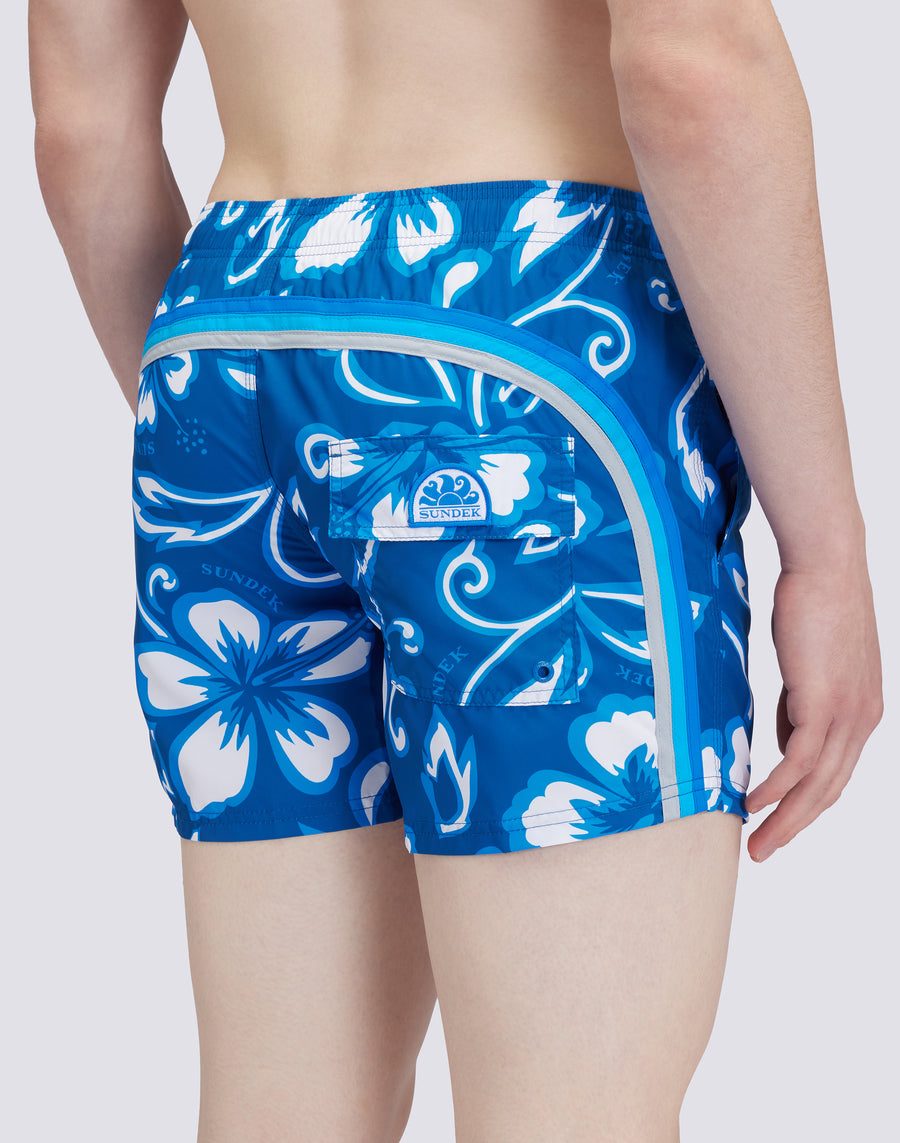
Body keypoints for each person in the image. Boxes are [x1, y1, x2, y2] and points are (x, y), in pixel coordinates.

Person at [28, 1, 883, 1140]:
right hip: (517, 338)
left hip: (222, 342)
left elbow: (82, 131)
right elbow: (694, 64)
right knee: (572, 1115)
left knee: (284, 1105)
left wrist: (229, 441)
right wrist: (825, 550)